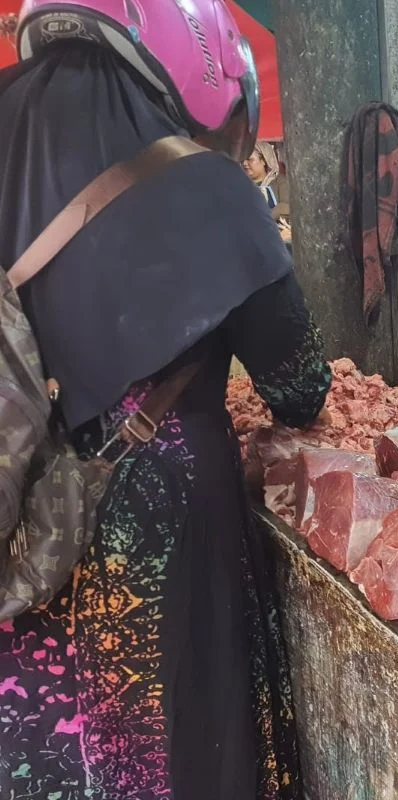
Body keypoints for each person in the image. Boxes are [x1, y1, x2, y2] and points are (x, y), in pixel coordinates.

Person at [0, 3, 332, 797]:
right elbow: (299, 384)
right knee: (178, 750)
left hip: (21, 538)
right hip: (161, 521)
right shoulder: (203, 184)